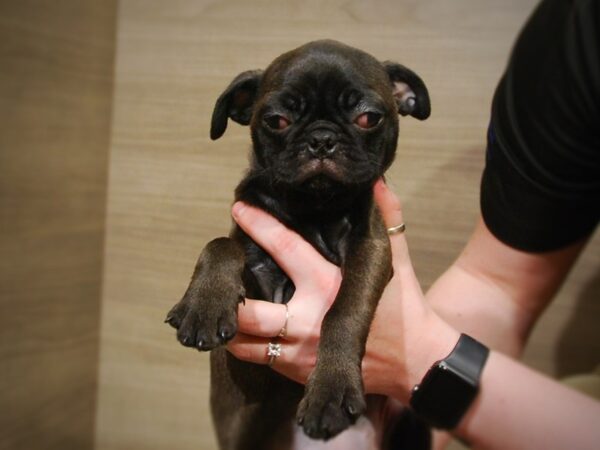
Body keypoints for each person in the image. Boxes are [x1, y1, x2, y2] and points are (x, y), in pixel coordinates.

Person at [225, 0, 600, 448]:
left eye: (364, 120)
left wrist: (417, 359)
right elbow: (498, 286)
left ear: (404, 97)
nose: (322, 143)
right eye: (281, 121)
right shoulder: (571, 41)